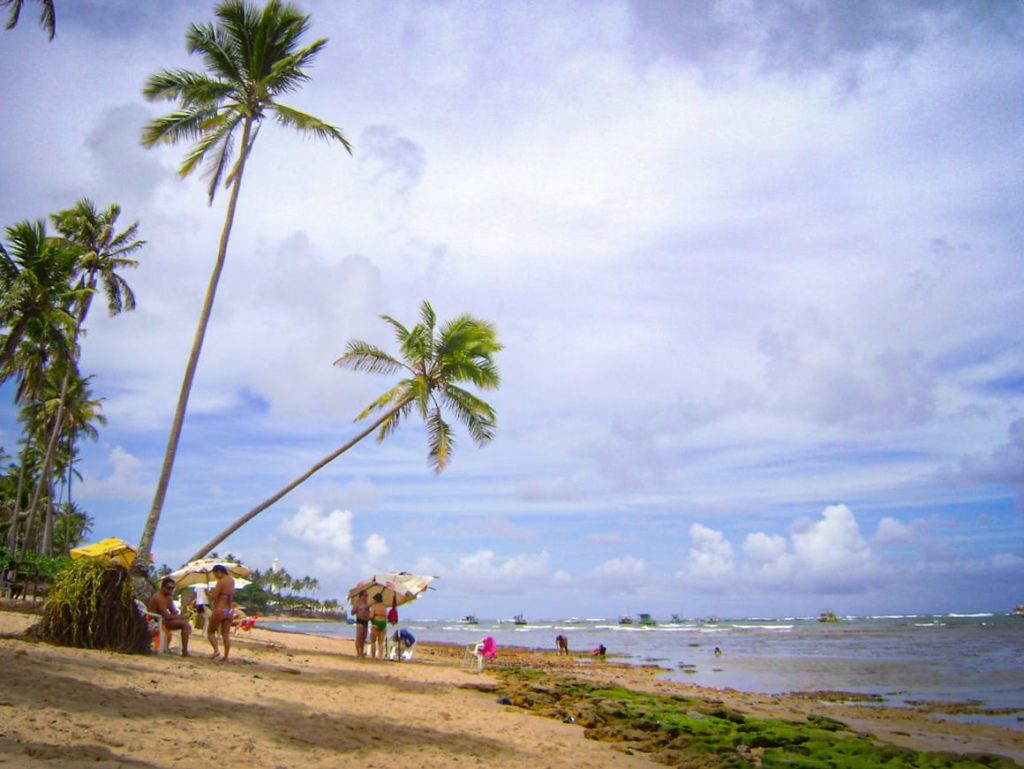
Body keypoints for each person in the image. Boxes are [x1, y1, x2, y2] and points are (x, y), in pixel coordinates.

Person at [147, 577, 191, 656]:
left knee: (185, 624)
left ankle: (185, 650)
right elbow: (167, 616)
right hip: (153, 622)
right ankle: (185, 651)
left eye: (172, 588)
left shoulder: (168, 598)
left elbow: (174, 613)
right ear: (162, 587)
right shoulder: (158, 598)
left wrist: (181, 616)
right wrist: (181, 617)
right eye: (168, 588)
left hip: (162, 620)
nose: (170, 590)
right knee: (185, 623)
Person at [207, 565, 235, 662]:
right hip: (230, 610)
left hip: (220, 609)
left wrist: (208, 593)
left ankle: (216, 651)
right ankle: (226, 656)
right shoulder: (232, 581)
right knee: (225, 635)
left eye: (215, 574)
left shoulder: (221, 581)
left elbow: (214, 597)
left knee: (210, 632)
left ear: (219, 572)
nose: (215, 576)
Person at [368, 592, 388, 659]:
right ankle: (380, 657)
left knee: (373, 641)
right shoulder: (384, 607)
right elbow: (386, 617)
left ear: (376, 599)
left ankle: (373, 656)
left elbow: (371, 616)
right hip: (383, 624)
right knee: (381, 643)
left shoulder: (374, 606)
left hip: (376, 623)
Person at [351, 589, 371, 658]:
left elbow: (369, 613)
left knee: (363, 638)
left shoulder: (367, 604)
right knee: (359, 637)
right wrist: (358, 609)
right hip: (360, 621)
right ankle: (358, 652)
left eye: (367, 596)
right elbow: (352, 612)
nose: (366, 597)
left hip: (366, 622)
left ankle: (362, 652)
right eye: (365, 595)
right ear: (361, 596)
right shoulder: (357, 603)